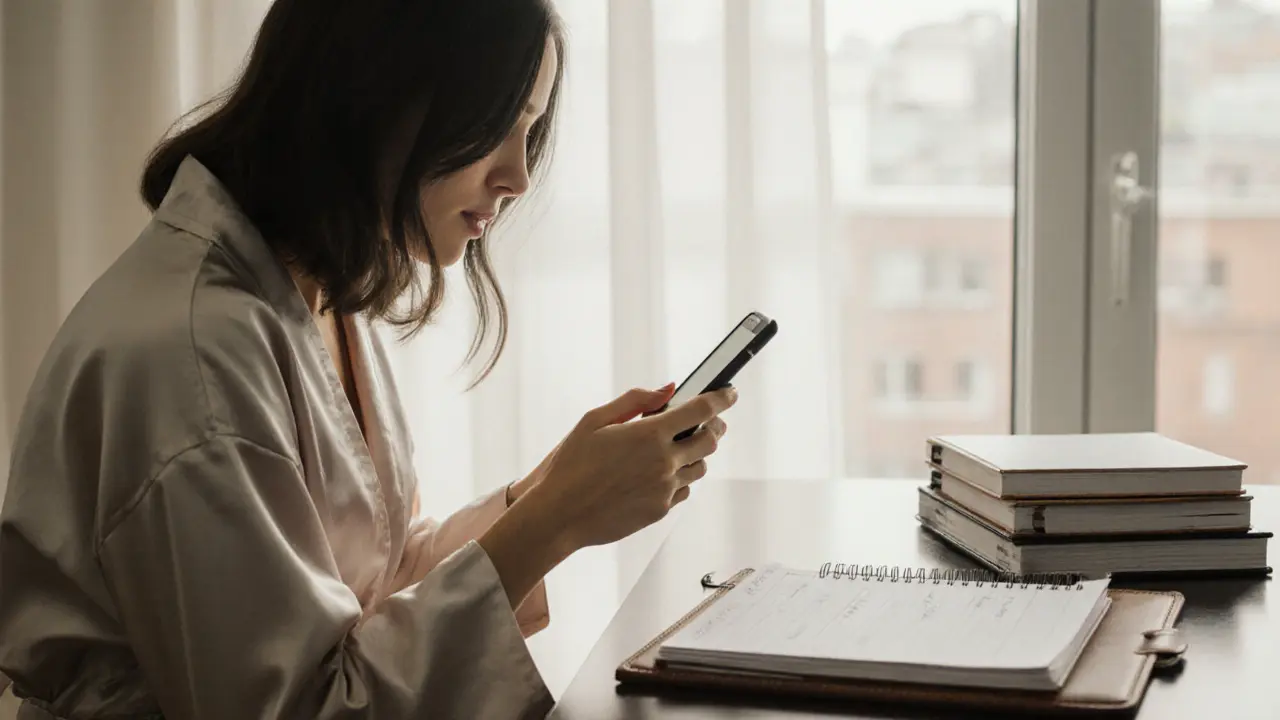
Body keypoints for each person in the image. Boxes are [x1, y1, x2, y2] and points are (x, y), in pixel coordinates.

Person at [0, 0, 736, 718]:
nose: (517, 176)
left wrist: (550, 489)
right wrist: (555, 519)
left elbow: (373, 582)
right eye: (496, 125)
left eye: (529, 129)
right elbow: (298, 704)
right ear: (378, 94)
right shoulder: (192, 355)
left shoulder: (312, 290)